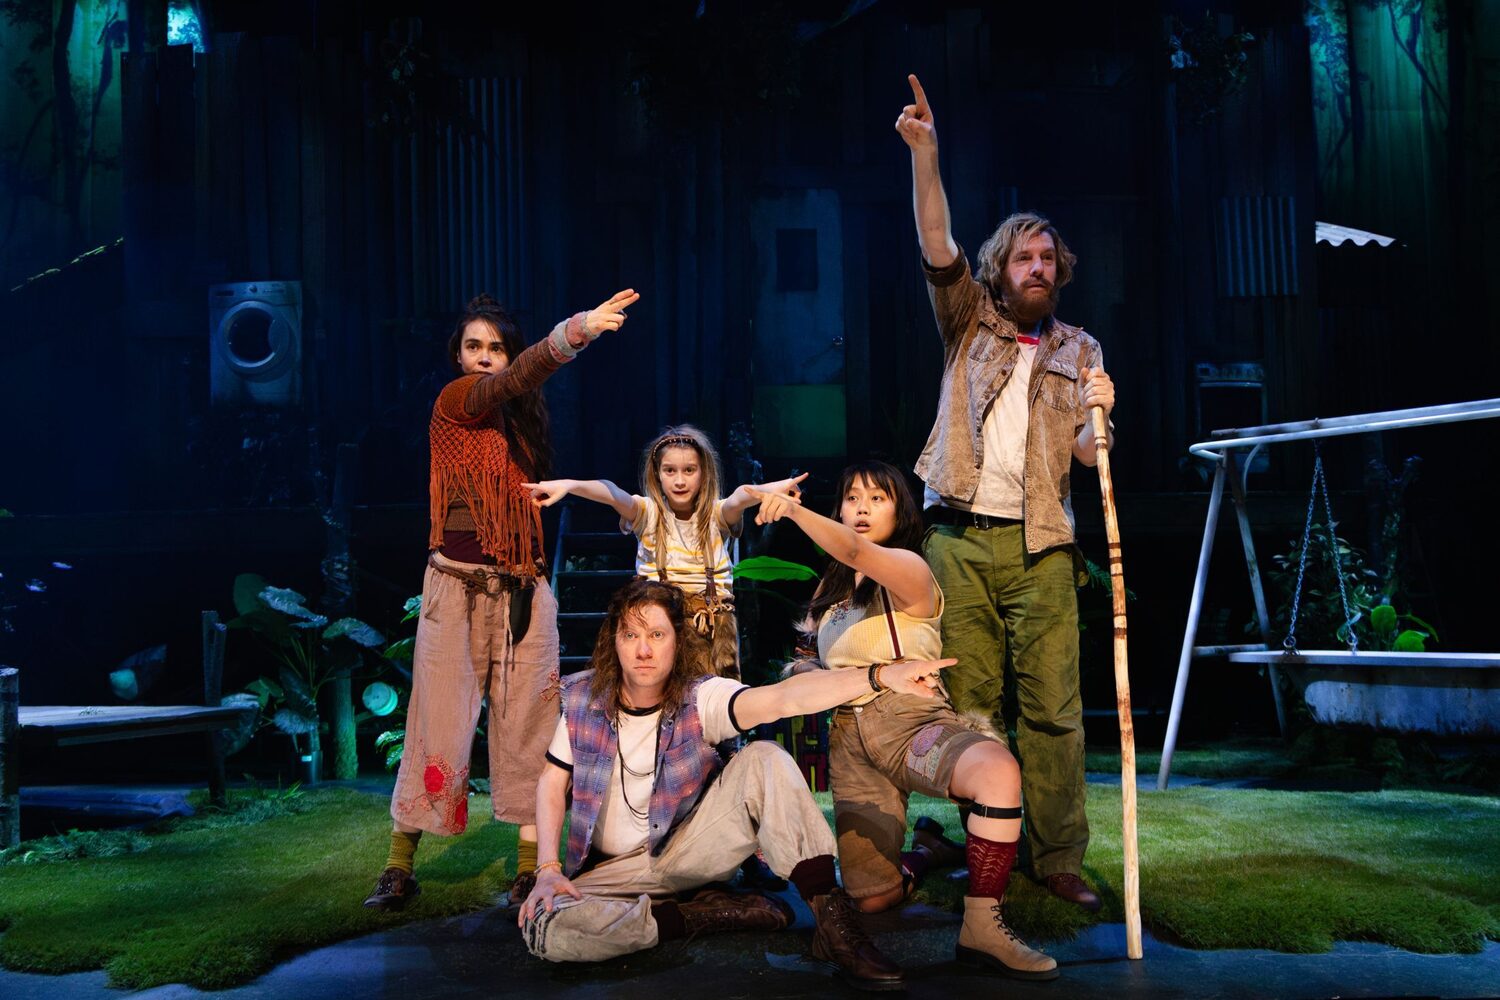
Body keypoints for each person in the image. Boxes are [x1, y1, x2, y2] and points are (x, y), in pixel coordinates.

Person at [895, 73, 1116, 911]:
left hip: (1042, 545)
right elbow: (935, 233)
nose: (1038, 267)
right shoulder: (968, 319)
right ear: (1001, 268)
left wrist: (1102, 415)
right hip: (959, 537)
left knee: (1055, 709)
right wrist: (926, 155)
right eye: (1024, 257)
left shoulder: (1080, 349)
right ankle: (975, 842)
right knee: (971, 705)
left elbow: (1088, 457)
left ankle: (1056, 856)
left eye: (1048, 259)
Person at [518, 578, 951, 990]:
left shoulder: (701, 698)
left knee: (765, 758)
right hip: (613, 872)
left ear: (677, 642)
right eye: (630, 635)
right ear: (614, 642)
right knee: (549, 927)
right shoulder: (583, 700)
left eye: (656, 635)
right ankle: (700, 916)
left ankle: (834, 927)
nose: (643, 650)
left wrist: (879, 676)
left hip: (685, 852)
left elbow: (784, 698)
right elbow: (552, 782)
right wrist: (548, 870)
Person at [364, 288, 640, 913]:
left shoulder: (521, 422)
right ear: (458, 356)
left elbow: (519, 398)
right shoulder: (456, 402)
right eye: (474, 347)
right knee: (435, 719)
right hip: (456, 589)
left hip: (522, 590)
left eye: (496, 348)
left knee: (530, 728)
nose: (485, 357)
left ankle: (529, 869)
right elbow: (516, 378)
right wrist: (576, 331)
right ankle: (399, 866)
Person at [753, 460, 1058, 980]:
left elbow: (855, 552)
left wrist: (795, 512)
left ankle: (983, 925)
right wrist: (809, 673)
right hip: (849, 738)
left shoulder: (908, 568)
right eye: (852, 498)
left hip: (910, 722)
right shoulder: (830, 596)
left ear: (901, 511)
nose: (862, 508)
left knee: (997, 771)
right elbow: (806, 660)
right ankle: (930, 852)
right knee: (872, 899)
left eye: (878, 498)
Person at [522, 424, 807, 679]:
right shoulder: (647, 512)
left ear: (703, 473)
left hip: (709, 627)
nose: (679, 480)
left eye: (689, 470)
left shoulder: (716, 514)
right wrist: (571, 485)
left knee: (711, 706)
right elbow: (611, 492)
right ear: (657, 474)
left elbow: (742, 495)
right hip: (656, 624)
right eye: (670, 471)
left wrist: (772, 489)